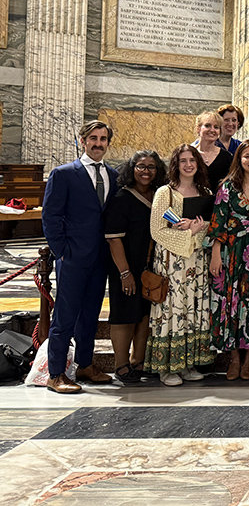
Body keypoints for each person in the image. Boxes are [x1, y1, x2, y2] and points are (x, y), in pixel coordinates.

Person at [41, 120, 118, 393]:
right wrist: (61, 251)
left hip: (100, 258)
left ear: (108, 142)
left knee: (91, 314)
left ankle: (85, 364)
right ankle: (56, 373)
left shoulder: (113, 175)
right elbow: (50, 216)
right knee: (65, 315)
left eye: (103, 139)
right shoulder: (63, 174)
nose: (98, 143)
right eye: (93, 138)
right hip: (73, 257)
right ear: (83, 140)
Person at [146, 144, 215, 386]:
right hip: (171, 261)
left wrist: (197, 230)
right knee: (172, 309)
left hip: (196, 260)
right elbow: (157, 229)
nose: (188, 165)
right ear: (176, 164)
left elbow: (210, 225)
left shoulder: (205, 190)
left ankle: (187, 363)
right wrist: (186, 234)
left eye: (192, 160)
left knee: (193, 308)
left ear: (198, 164)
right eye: (183, 160)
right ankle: (166, 367)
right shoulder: (165, 192)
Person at [208, 140, 249, 381]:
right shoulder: (227, 187)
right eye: (248, 156)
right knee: (231, 304)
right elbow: (217, 223)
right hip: (232, 252)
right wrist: (216, 254)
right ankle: (234, 358)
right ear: (239, 159)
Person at [104, 150, 166, 384]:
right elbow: (113, 238)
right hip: (126, 267)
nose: (146, 171)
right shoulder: (122, 198)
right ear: (132, 169)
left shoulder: (158, 196)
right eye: (141, 166)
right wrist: (124, 272)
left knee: (144, 315)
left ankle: (138, 362)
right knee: (124, 316)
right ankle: (121, 365)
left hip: (150, 268)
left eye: (151, 167)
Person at [193, 111, 233, 191]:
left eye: (216, 127)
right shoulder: (190, 154)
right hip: (193, 201)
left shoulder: (228, 157)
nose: (212, 130)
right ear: (198, 128)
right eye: (207, 126)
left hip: (219, 202)